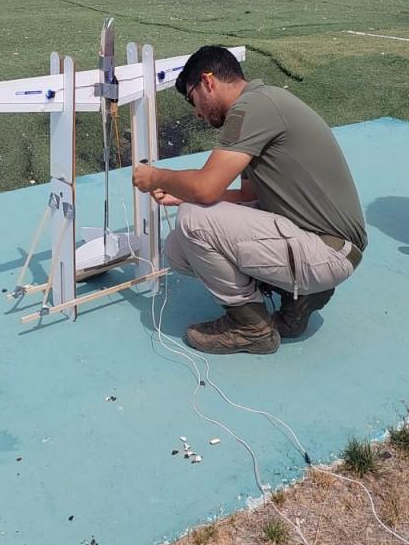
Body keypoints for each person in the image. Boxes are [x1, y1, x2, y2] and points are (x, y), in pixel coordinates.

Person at [131, 46, 366, 354]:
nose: (197, 112)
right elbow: (248, 194)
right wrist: (182, 192)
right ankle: (297, 297)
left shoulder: (252, 108)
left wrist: (156, 177)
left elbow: (206, 188)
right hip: (327, 245)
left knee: (193, 217)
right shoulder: (263, 102)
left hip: (327, 251)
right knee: (178, 248)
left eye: (193, 100)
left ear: (208, 82)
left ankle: (251, 327)